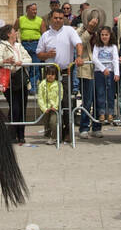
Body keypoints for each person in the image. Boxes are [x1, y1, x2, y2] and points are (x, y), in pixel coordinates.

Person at [35, 8, 82, 139]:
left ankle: (67, 131)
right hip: (50, 74)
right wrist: (47, 54)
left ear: (64, 19)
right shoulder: (45, 35)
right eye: (55, 18)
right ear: (51, 19)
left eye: (61, 18)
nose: (58, 20)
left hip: (66, 72)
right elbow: (39, 54)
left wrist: (78, 56)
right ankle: (52, 131)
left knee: (66, 103)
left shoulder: (69, 31)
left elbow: (78, 44)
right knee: (51, 103)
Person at [0, 24, 31, 143]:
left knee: (23, 107)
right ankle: (12, 134)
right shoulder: (2, 46)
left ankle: (21, 135)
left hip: (21, 78)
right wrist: (4, 61)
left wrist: (21, 62)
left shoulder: (19, 45)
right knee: (15, 107)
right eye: (14, 31)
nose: (16, 33)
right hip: (9, 80)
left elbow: (29, 59)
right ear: (9, 34)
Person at [73, 11, 99, 133]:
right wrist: (88, 30)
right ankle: (84, 127)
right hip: (86, 69)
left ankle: (97, 126)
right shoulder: (79, 30)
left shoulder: (100, 31)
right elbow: (79, 44)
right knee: (87, 100)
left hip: (99, 69)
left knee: (99, 100)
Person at [17, 2, 45, 94]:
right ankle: (25, 87)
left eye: (36, 9)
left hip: (36, 44)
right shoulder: (20, 19)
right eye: (33, 9)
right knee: (25, 67)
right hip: (24, 45)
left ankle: (32, 88)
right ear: (27, 10)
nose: (35, 11)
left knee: (35, 67)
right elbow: (13, 30)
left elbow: (44, 35)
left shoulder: (40, 20)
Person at [37, 65, 63, 145]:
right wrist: (44, 108)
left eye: (52, 74)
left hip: (54, 108)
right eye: (48, 74)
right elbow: (40, 97)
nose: (50, 76)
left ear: (56, 76)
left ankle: (54, 137)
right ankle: (48, 134)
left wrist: (55, 106)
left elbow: (60, 96)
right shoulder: (42, 84)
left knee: (53, 122)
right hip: (45, 108)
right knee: (46, 122)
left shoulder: (58, 84)